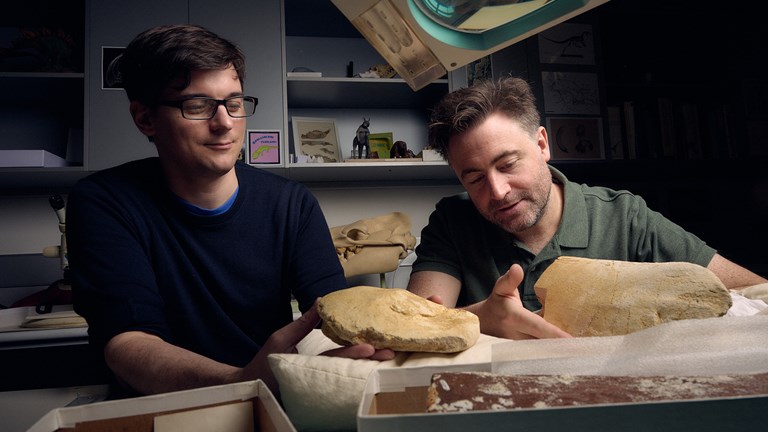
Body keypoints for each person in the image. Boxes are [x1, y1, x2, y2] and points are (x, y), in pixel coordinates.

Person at [66, 24, 392, 397]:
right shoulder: (105, 202)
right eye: (197, 105)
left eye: (234, 103)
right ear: (145, 118)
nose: (224, 123)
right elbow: (127, 344)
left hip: (268, 401)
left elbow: (331, 315)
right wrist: (237, 381)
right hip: (160, 408)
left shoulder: (291, 204)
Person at [407, 76, 767, 340]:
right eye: (474, 179)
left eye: (508, 164)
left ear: (542, 144)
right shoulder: (452, 221)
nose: (498, 191)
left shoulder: (624, 217)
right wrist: (480, 317)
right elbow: (415, 323)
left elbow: (755, 290)